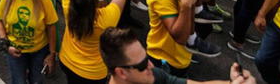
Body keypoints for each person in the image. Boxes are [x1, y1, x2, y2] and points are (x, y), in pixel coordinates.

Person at [100, 27, 257, 84]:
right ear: (121, 72)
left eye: (147, 59)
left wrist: (233, 83)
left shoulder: (152, 76)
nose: (151, 65)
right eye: (142, 65)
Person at [0, 0, 58, 83]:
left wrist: (52, 54)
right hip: (15, 51)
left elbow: (51, 26)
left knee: (37, 81)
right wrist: (6, 44)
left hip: (39, 51)